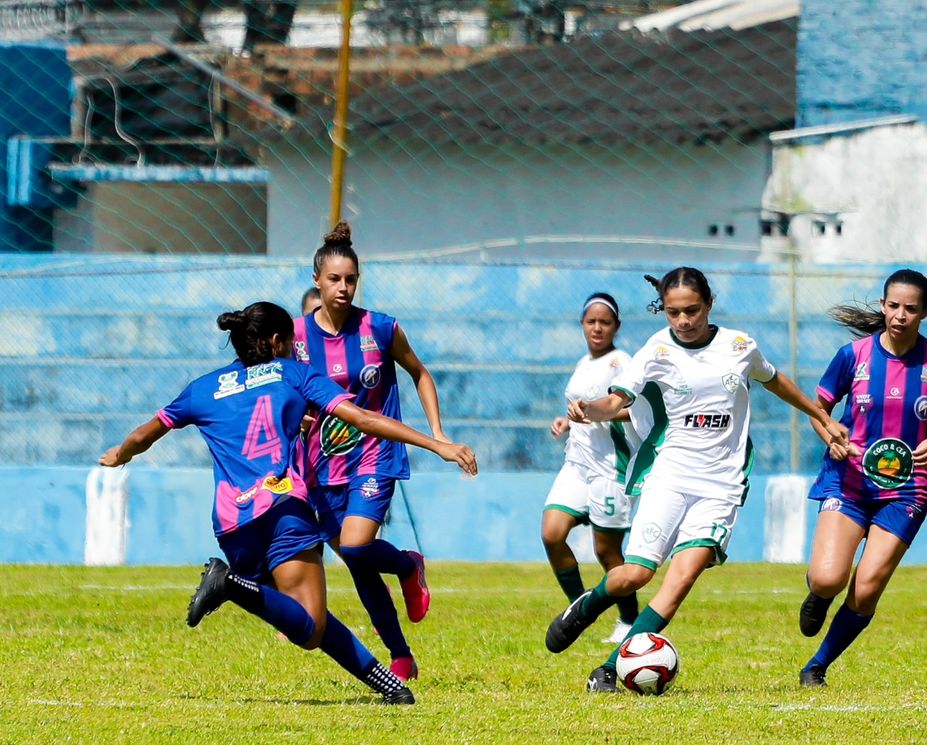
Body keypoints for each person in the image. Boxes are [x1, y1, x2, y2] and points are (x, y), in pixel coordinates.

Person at [98, 301, 478, 705]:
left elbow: (146, 433)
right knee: (309, 626)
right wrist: (437, 443)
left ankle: (388, 685)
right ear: (277, 341)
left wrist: (121, 454)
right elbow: (364, 419)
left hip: (232, 525)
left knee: (302, 616)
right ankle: (228, 583)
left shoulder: (203, 388)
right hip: (283, 513)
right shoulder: (294, 374)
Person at [544, 267, 849, 691]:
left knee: (681, 578)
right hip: (669, 476)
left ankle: (610, 669)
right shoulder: (655, 350)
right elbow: (618, 399)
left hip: (722, 484)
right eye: (673, 313)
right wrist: (588, 409)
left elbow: (774, 380)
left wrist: (820, 416)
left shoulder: (739, 346)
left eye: (692, 311)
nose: (684, 321)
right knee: (634, 575)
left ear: (709, 304)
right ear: (663, 311)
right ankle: (589, 603)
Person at [797, 268, 927, 687]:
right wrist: (831, 436)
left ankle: (817, 666)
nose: (900, 315)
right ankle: (818, 592)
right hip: (848, 483)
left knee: (866, 589)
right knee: (830, 577)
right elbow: (819, 410)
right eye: (894, 306)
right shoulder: (853, 356)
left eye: (911, 309)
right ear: (883, 306)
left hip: (906, 491)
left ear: (925, 312)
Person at [293, 222, 450, 683]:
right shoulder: (296, 337)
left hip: (374, 458)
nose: (344, 287)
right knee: (357, 562)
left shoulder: (379, 328)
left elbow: (420, 373)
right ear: (317, 280)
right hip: (320, 466)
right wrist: (295, 419)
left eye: (351, 279)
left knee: (358, 546)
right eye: (335, 279)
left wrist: (437, 435)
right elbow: (284, 394)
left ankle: (406, 564)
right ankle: (400, 655)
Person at [542, 292, 639, 645]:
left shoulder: (622, 363)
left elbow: (636, 408)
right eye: (591, 321)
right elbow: (578, 408)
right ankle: (578, 608)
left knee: (606, 552)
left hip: (611, 466)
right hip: (577, 463)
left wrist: (602, 412)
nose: (597, 328)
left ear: (616, 326)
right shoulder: (583, 363)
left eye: (605, 322)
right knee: (552, 533)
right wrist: (565, 421)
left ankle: (629, 620)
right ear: (582, 324)